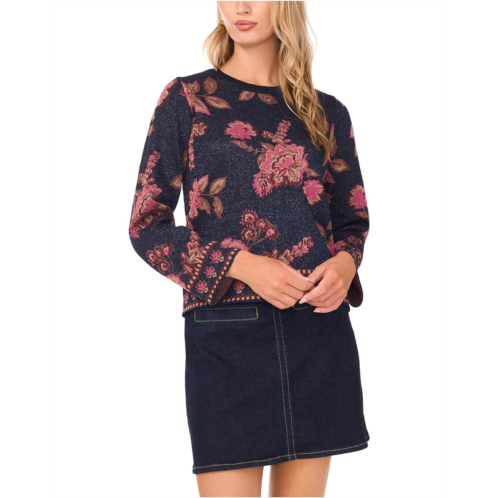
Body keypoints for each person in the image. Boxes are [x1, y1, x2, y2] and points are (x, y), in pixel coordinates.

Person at [129, 2, 370, 496]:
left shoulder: (328, 112)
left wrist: (345, 265)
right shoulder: (187, 99)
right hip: (226, 335)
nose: (240, 6)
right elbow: (146, 225)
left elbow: (352, 220)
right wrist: (239, 264)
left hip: (316, 330)